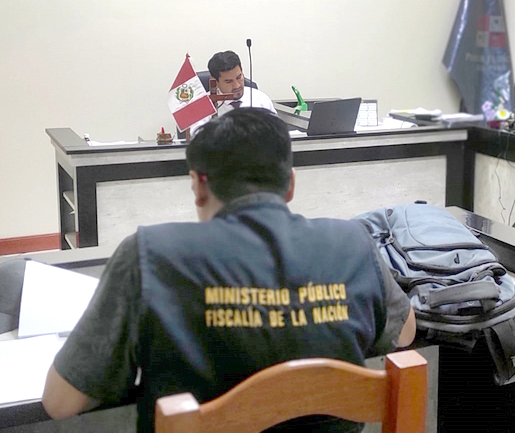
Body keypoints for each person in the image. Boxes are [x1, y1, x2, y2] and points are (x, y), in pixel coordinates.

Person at [42, 108, 415, 433]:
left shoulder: (149, 256)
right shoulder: (353, 242)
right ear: (290, 185)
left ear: (197, 186)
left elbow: (62, 402)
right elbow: (405, 331)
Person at [189, 50, 277, 136]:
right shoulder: (203, 105)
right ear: (215, 81)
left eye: (239, 77)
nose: (236, 86)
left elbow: (276, 132)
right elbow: (198, 137)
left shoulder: (260, 99)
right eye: (228, 81)